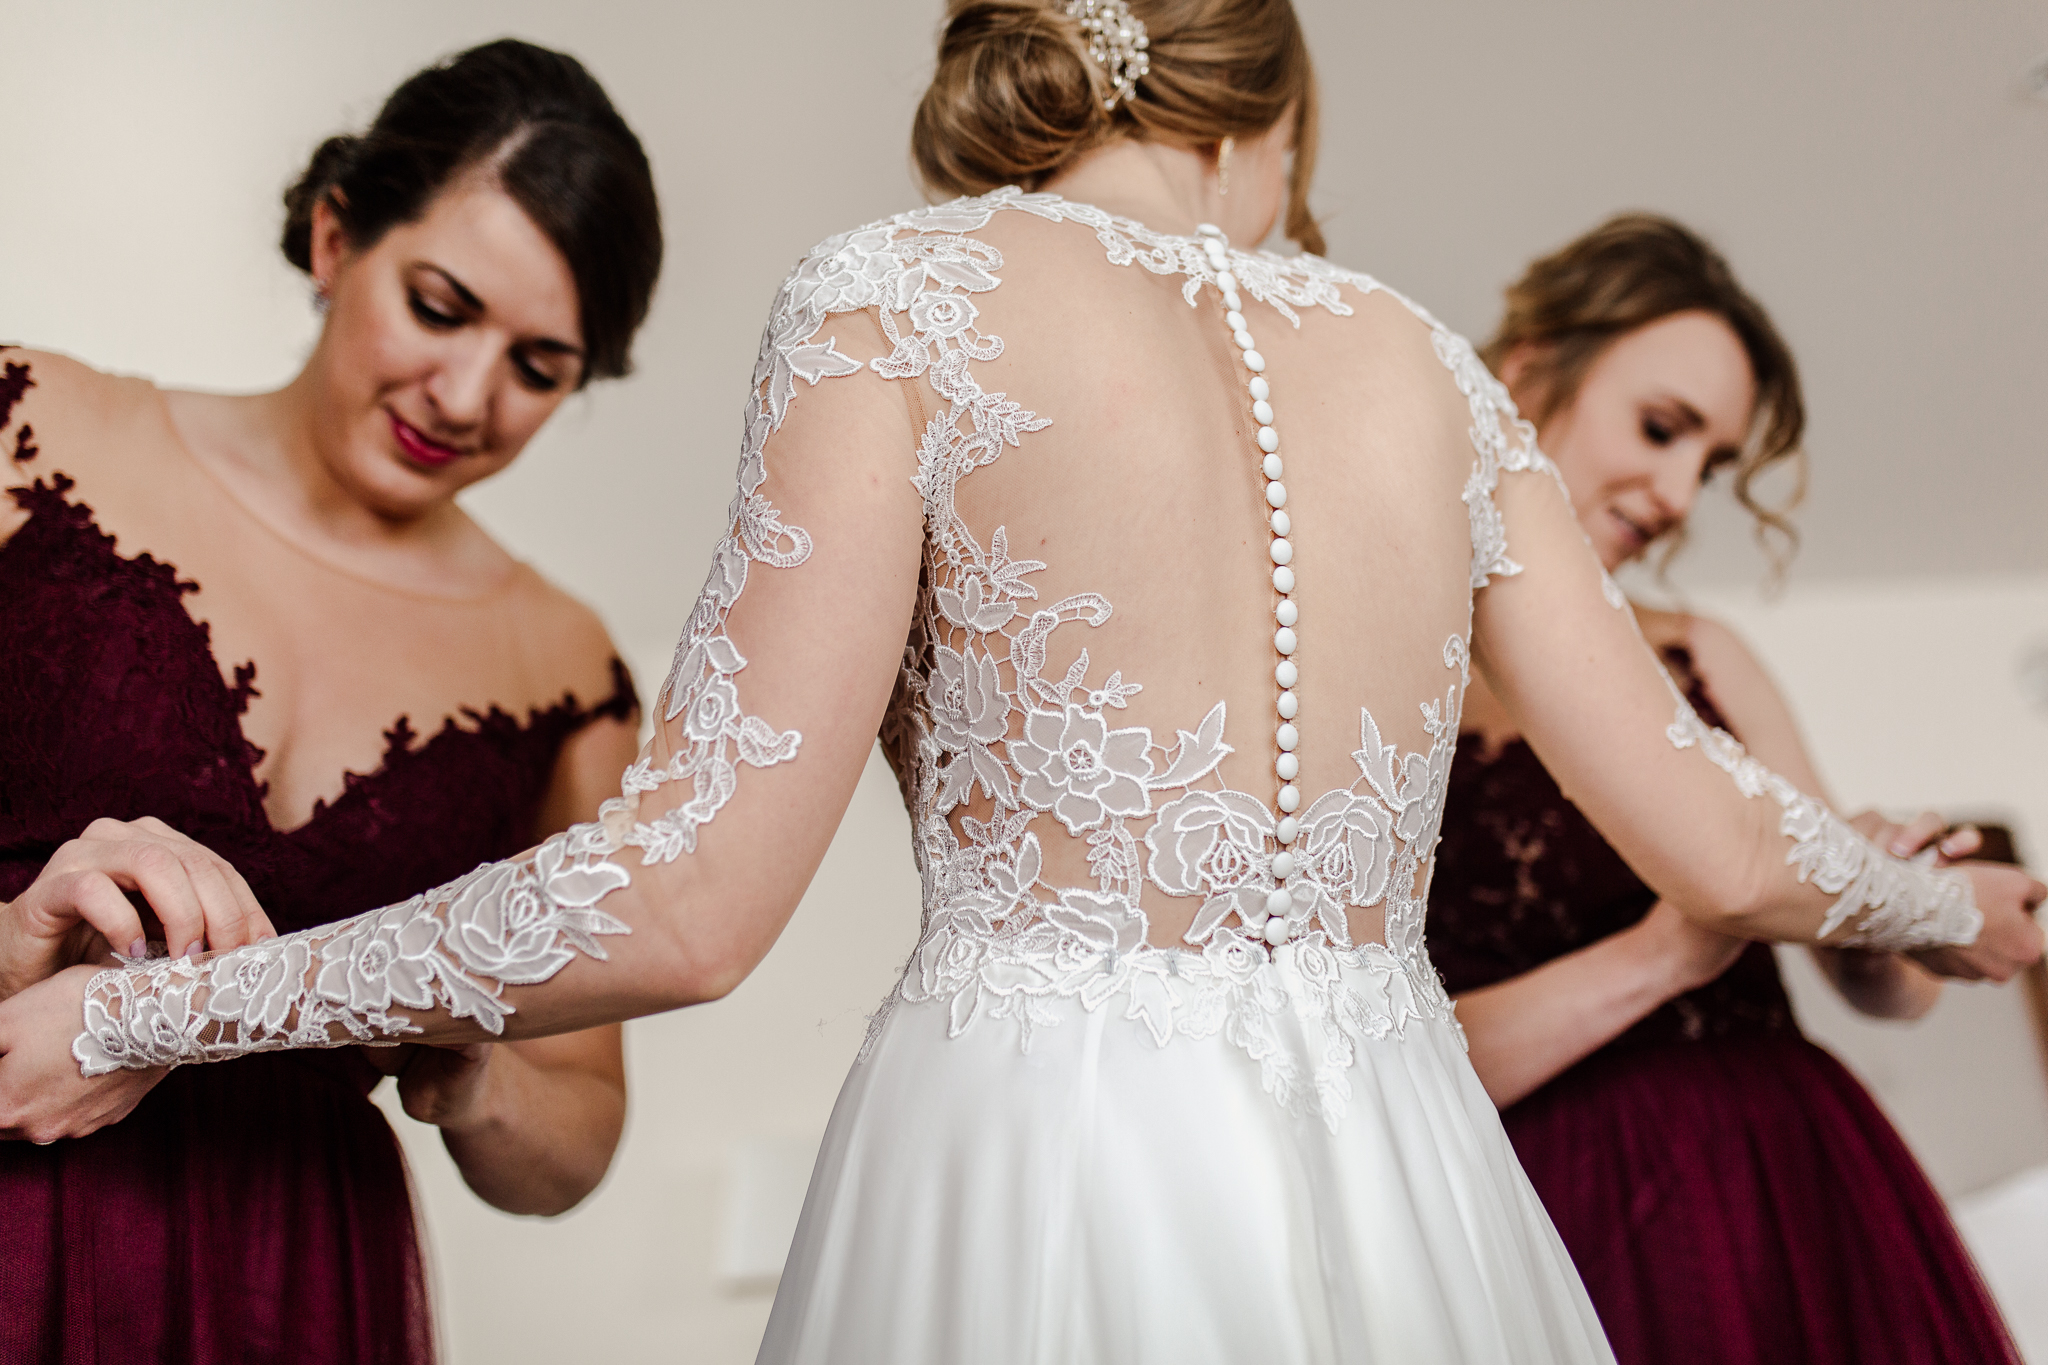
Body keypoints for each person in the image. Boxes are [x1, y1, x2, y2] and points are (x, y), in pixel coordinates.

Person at [2, 4, 2042, 1363]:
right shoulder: (1423, 365)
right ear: (1268, 114)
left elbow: (691, 903)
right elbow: (1727, 840)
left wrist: (171, 1004)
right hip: (1394, 1154)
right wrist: (1957, 904)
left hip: (1036, 1139)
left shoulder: (898, 298)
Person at [0, 39, 659, 1365]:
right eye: (439, 305)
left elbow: (573, 1138)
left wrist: (472, 1057)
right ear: (331, 234)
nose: (466, 397)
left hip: (299, 1287)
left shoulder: (565, 671)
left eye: (540, 368)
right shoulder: (28, 430)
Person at [1425, 214, 2024, 1363]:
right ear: (1523, 369)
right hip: (1539, 1221)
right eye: (1659, 429)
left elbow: (1885, 986)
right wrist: (1669, 948)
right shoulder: (1385, 680)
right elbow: (1383, 1064)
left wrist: (1884, 893)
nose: (1675, 494)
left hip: (1781, 1190)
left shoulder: (1705, 654)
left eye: (1709, 464)